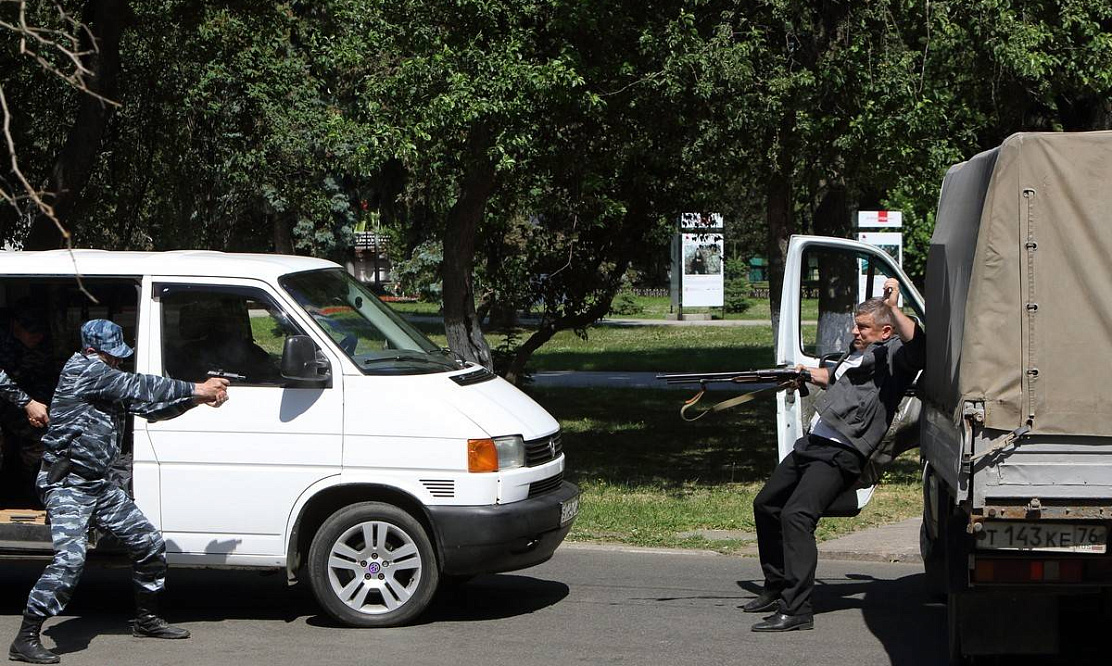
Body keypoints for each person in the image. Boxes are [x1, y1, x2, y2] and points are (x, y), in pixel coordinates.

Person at [8, 319, 229, 665]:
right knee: (70, 560)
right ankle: (25, 638)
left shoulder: (106, 380)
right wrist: (197, 388)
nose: (117, 361)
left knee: (148, 544)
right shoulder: (85, 370)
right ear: (94, 350)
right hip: (66, 484)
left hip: (96, 484)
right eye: (113, 355)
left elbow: (150, 407)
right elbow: (141, 386)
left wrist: (195, 400)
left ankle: (147, 620)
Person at [745, 277, 924, 632]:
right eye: (855, 325)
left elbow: (918, 343)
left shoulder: (895, 359)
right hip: (814, 444)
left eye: (864, 327)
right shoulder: (857, 354)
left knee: (797, 515)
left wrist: (892, 305)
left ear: (885, 330)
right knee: (766, 504)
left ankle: (797, 610)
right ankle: (777, 585)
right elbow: (836, 375)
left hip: (842, 451)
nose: (855, 332)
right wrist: (802, 374)